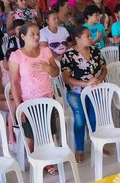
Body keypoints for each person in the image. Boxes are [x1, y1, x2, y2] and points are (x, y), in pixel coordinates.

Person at [8, 23, 60, 171]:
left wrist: (47, 68)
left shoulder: (45, 51)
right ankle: (34, 161)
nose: (36, 37)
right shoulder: (16, 55)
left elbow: (56, 72)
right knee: (30, 135)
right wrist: (19, 106)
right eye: (32, 34)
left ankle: (48, 161)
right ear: (23, 36)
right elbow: (14, 82)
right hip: (28, 101)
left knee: (47, 132)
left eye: (38, 34)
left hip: (47, 97)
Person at [60, 27, 107, 164]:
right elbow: (66, 79)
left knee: (94, 118)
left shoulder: (95, 51)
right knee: (80, 120)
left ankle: (97, 145)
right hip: (76, 92)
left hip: (94, 90)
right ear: (78, 38)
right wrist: (85, 83)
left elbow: (104, 69)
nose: (91, 38)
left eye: (90, 35)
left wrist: (99, 79)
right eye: (87, 36)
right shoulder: (68, 55)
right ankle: (80, 150)